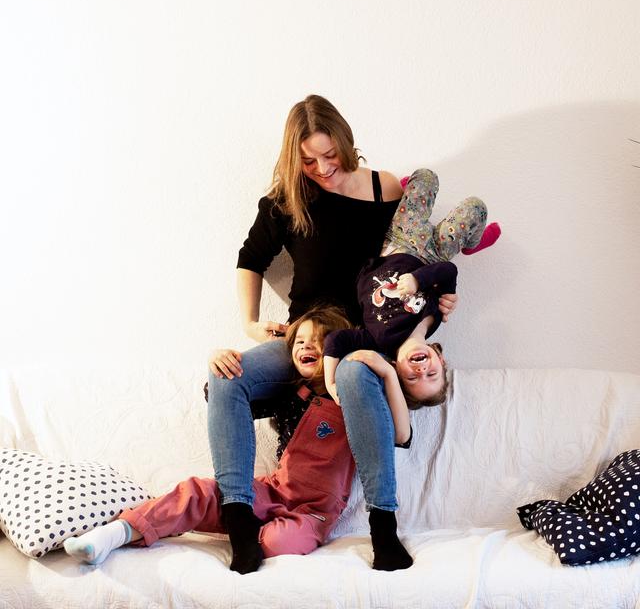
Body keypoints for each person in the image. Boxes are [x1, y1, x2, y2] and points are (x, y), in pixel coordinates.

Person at [208, 94, 458, 573]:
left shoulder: (384, 189)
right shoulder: (289, 198)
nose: (322, 167)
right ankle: (239, 522)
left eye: (330, 155)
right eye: (308, 159)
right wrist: (248, 322)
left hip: (365, 334)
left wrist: (440, 297)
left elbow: (408, 258)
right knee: (227, 377)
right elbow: (250, 258)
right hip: (304, 332)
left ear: (346, 143)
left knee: (358, 375)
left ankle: (383, 527)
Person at [65, 307, 412, 569]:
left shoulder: (355, 401)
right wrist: (219, 361)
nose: (308, 346)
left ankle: (230, 531)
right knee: (197, 492)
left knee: (279, 541)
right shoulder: (289, 394)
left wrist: (385, 371)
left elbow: (397, 433)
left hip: (313, 513)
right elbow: (225, 399)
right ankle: (113, 534)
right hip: (272, 490)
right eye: (301, 341)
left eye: (320, 342)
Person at [323, 167, 501, 405]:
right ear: (441, 360)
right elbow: (449, 270)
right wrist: (422, 281)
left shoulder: (378, 339)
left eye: (412, 379)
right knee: (476, 207)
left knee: (425, 176)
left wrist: (330, 383)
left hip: (398, 241)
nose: (421, 371)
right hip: (435, 254)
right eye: (432, 374)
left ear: (396, 369)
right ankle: (471, 243)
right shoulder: (437, 318)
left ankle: (409, 197)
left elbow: (335, 341)